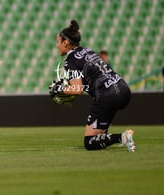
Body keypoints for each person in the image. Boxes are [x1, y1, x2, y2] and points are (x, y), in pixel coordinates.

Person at [49, 20, 136, 152]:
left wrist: (58, 88)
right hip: (123, 88)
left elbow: (78, 89)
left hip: (107, 94)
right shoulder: (87, 50)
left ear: (65, 43)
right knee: (99, 137)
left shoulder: (70, 60)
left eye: (58, 42)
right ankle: (121, 138)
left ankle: (123, 137)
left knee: (89, 143)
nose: (57, 46)